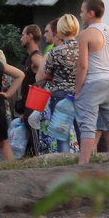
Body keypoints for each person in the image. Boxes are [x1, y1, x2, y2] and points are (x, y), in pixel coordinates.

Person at [73, 0, 109, 163]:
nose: (81, 14)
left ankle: (83, 163)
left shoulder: (86, 34)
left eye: (82, 11)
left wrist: (77, 89)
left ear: (91, 13)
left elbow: (82, 65)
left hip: (93, 81)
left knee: (87, 124)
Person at [36, 13, 81, 154]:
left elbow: (46, 74)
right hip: (81, 93)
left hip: (60, 95)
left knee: (63, 135)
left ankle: (64, 164)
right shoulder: (83, 49)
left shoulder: (55, 51)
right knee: (82, 130)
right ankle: (85, 161)